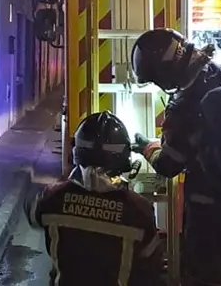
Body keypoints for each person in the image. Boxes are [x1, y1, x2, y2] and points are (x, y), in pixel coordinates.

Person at [130, 28, 221, 286]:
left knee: (204, 276)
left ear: (167, 70)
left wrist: (147, 146)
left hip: (208, 211)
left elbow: (168, 164)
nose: (159, 84)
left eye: (157, 78)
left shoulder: (183, 110)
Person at [24, 111, 164, 286]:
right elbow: (151, 268)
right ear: (124, 157)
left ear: (77, 152)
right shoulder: (139, 210)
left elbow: (30, 211)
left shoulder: (52, 197)